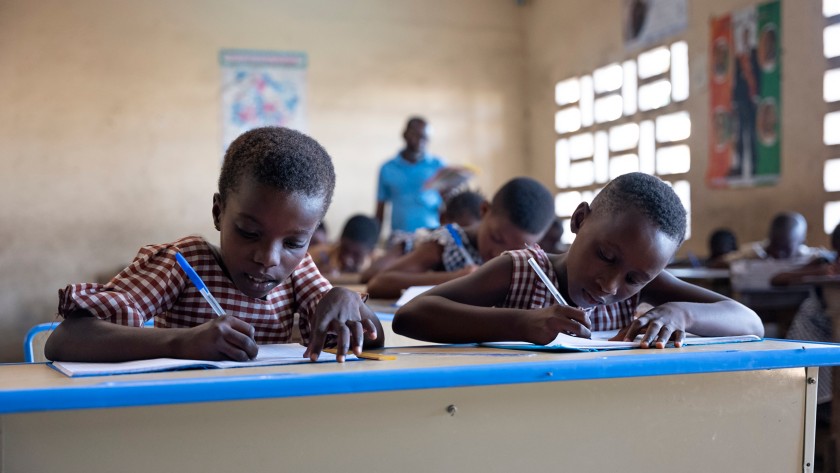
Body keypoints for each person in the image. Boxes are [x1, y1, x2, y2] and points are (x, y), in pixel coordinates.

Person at [45, 127, 383, 363]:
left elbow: (368, 342)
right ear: (219, 212)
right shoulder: (183, 263)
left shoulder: (300, 273)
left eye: (294, 242)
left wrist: (347, 301)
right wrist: (182, 342)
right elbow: (67, 339)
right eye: (249, 232)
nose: (268, 258)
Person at [393, 172, 764, 347]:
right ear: (579, 220)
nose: (611, 285)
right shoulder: (520, 269)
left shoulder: (639, 289)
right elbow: (411, 317)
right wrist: (520, 324)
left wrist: (682, 313)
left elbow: (750, 323)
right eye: (605, 256)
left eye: (635, 279)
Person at [367, 177, 556, 299]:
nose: (499, 254)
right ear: (484, 211)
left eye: (515, 249)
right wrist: (455, 278)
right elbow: (378, 283)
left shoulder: (524, 263)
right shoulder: (446, 244)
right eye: (496, 238)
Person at [361, 190, 487, 284]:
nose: (463, 236)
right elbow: (372, 277)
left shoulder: (478, 252)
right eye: (460, 231)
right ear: (444, 220)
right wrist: (453, 277)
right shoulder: (425, 241)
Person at [375, 116, 446, 234]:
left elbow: (447, 204)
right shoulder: (387, 168)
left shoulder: (438, 166)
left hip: (431, 236)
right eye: (416, 135)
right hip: (399, 237)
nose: (420, 142)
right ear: (404, 135)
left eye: (425, 138)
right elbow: (380, 210)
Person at [724, 211, 827, 262]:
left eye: (786, 248)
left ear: (802, 242)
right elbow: (721, 262)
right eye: (775, 245)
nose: (779, 253)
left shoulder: (811, 257)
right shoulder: (753, 253)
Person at [310, 214, 380, 277]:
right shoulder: (316, 255)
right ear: (339, 241)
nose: (347, 260)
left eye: (356, 255)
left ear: (371, 252)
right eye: (344, 250)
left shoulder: (380, 266)